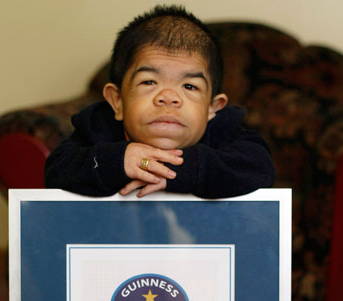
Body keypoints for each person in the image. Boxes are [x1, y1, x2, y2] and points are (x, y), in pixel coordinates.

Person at [44, 5, 275, 199]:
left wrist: (178, 169)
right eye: (149, 82)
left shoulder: (225, 133)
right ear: (117, 102)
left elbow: (260, 169)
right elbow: (56, 171)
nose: (168, 97)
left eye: (189, 86)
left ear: (212, 109)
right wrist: (118, 160)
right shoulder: (98, 127)